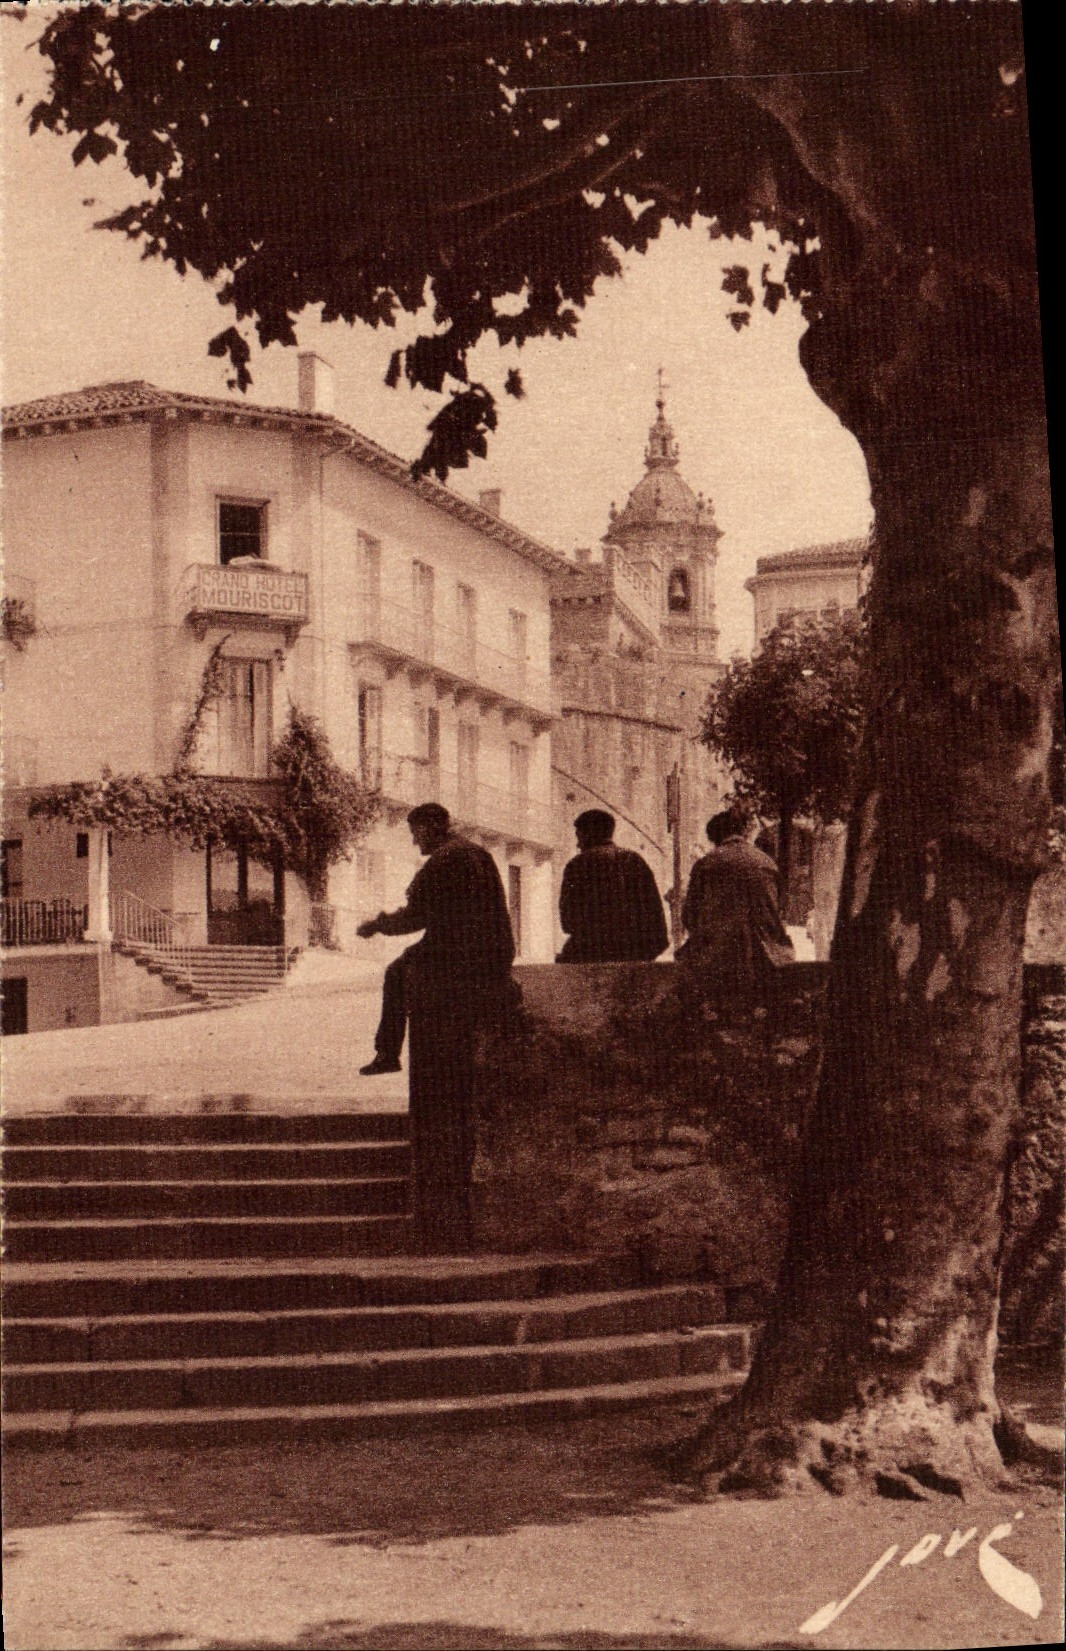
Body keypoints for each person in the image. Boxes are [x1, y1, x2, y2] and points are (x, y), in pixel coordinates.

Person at [356, 803, 515, 1250]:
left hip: (460, 955)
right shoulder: (475, 854)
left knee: (396, 973)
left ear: (432, 827)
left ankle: (387, 1053)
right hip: (491, 950)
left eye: (416, 830)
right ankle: (386, 1053)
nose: (414, 840)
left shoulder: (446, 860)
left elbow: (416, 916)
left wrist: (376, 925)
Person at [679, 807, 794, 998]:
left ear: (715, 838)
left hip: (718, 959)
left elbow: (690, 917)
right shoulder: (766, 862)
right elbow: (781, 909)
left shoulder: (707, 864)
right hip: (769, 957)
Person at [557, 809, 669, 962]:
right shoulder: (634, 860)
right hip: (635, 955)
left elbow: (568, 922)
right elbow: (656, 919)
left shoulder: (576, 865)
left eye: (579, 836)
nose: (578, 844)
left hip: (588, 956)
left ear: (588, 834)